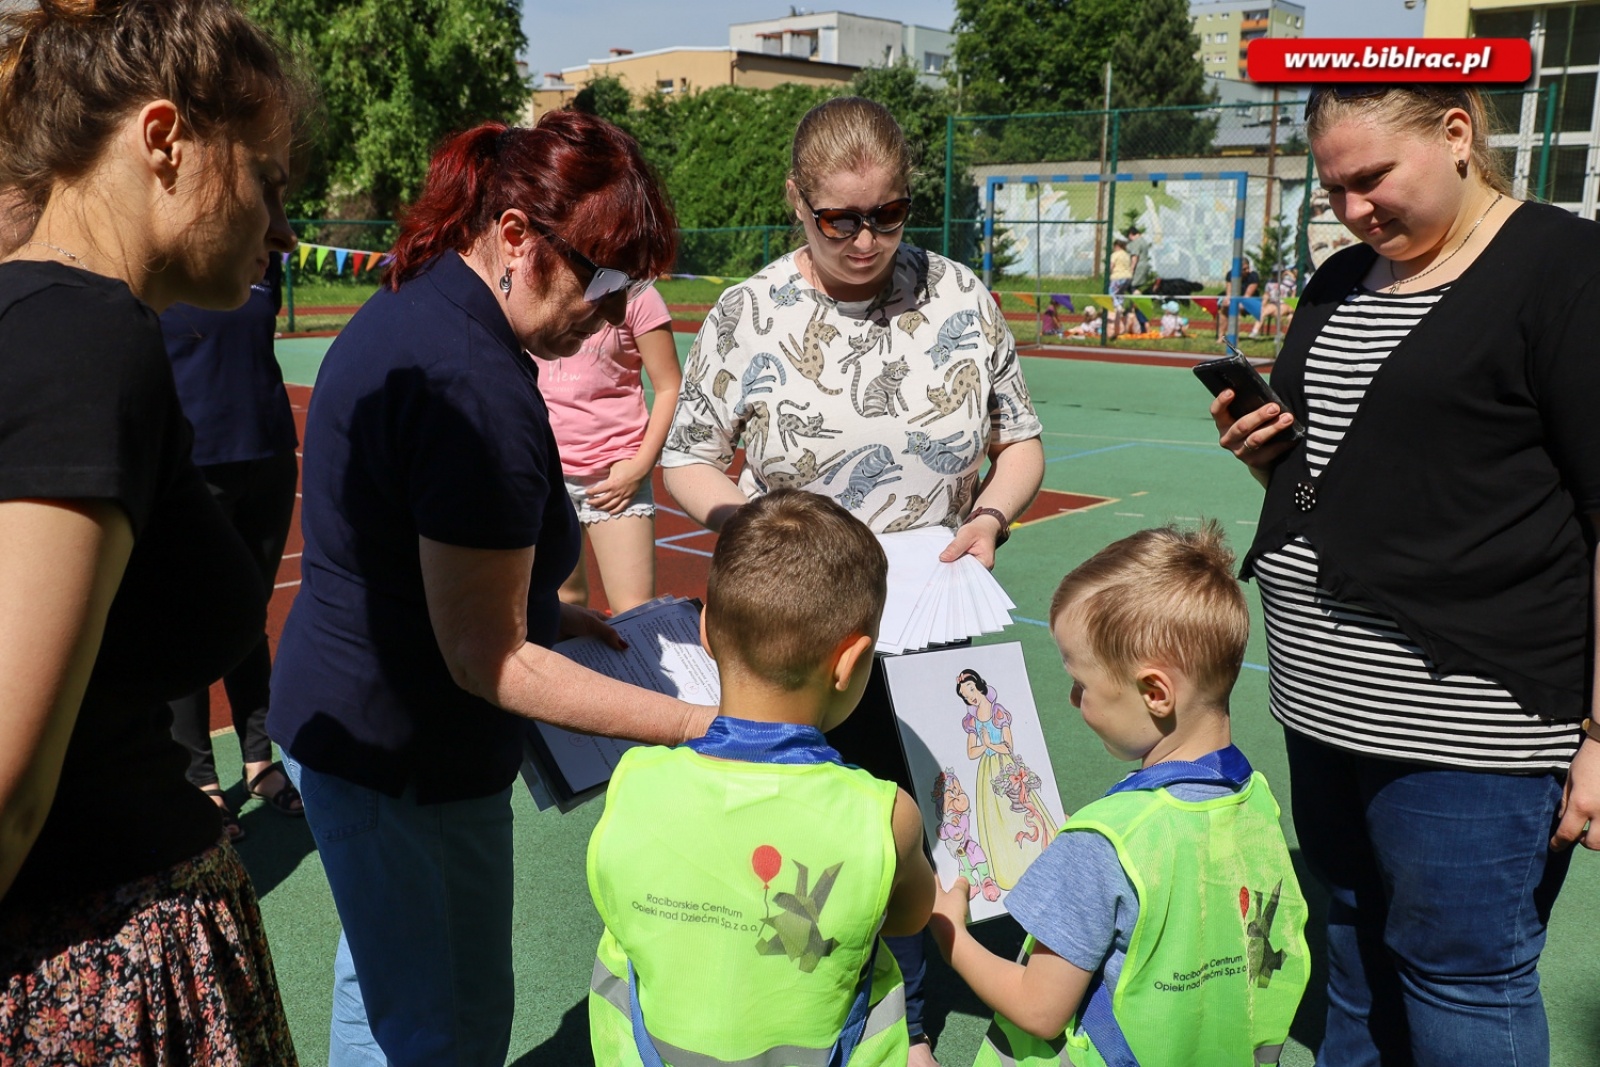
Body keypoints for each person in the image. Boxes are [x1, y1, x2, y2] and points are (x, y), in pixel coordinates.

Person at [266, 112, 716, 1067]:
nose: (610, 310)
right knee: (444, 1022)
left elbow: (413, 554)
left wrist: (553, 611)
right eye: (599, 277)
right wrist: (693, 725)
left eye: (627, 287)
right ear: (515, 235)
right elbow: (489, 658)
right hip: (403, 752)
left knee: (389, 992)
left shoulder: (427, 308)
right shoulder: (472, 381)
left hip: (358, 721)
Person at [1212, 84, 1600, 1065]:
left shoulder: (1562, 269)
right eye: (1333, 187)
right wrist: (1269, 457)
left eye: (1371, 178)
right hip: (1321, 702)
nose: (1351, 210)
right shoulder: (1342, 279)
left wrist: (1599, 732)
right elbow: (1336, 479)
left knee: (1462, 980)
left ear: (1457, 134)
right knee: (1350, 952)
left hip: (1472, 721)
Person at [661, 96, 1045, 1065]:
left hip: (936, 607)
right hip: (803, 624)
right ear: (797, 202)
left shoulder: (959, 293)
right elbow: (688, 458)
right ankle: (868, 1009)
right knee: (831, 828)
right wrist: (749, 528)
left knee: (954, 818)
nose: (867, 237)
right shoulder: (750, 313)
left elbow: (1022, 440)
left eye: (889, 212)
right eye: (841, 218)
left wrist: (992, 516)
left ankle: (931, 998)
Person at [0, 0, 306, 1060]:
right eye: (266, 175)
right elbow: (8, 786)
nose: (280, 227)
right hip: (99, 975)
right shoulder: (89, 341)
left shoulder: (37, 322)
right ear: (166, 139)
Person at [930, 524, 1310, 1066]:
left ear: (1155, 693)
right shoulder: (1257, 801)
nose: (1071, 697)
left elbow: (1040, 1010)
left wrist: (952, 939)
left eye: (1082, 683)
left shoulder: (1104, 841)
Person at [586, 489, 936, 1066]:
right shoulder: (886, 814)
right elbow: (908, 915)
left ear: (704, 631)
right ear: (850, 663)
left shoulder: (634, 780)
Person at [163, 253, 303, 842]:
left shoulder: (260, 250)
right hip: (190, 466)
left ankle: (257, 760)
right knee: (189, 622)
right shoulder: (160, 252)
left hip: (267, 454)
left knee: (249, 611)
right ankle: (198, 780)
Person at [542, 282, 681, 613]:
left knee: (634, 611)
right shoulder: (541, 288)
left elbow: (669, 386)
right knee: (562, 604)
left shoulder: (637, 296)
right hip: (547, 473)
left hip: (615, 476)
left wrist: (640, 466)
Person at [956, 668, 1057, 887]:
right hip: (987, 771)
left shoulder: (998, 711)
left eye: (971, 689)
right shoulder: (971, 720)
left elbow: (1008, 746)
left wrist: (989, 743)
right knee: (994, 819)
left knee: (1019, 810)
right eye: (965, 695)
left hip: (1006, 768)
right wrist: (985, 744)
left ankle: (1039, 863)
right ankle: (1007, 871)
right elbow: (971, 753)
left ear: (979, 685)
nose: (970, 696)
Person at [1213, 255, 1260, 341]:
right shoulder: (1230, 274)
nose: (1248, 270)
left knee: (1236, 307)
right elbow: (1229, 294)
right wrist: (1227, 301)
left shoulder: (1253, 276)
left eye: (1248, 268)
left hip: (1250, 301)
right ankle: (1221, 337)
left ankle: (1234, 338)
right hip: (1235, 299)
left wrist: (1235, 303)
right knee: (1224, 307)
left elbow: (1247, 296)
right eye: (1244, 269)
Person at [1126, 223, 1154, 293]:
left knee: (1131, 285)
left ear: (1131, 234)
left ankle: (1139, 299)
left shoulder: (1136, 242)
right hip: (1145, 265)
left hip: (1138, 267)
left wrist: (1131, 269)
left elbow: (1135, 256)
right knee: (1135, 286)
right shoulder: (1143, 241)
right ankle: (1134, 302)